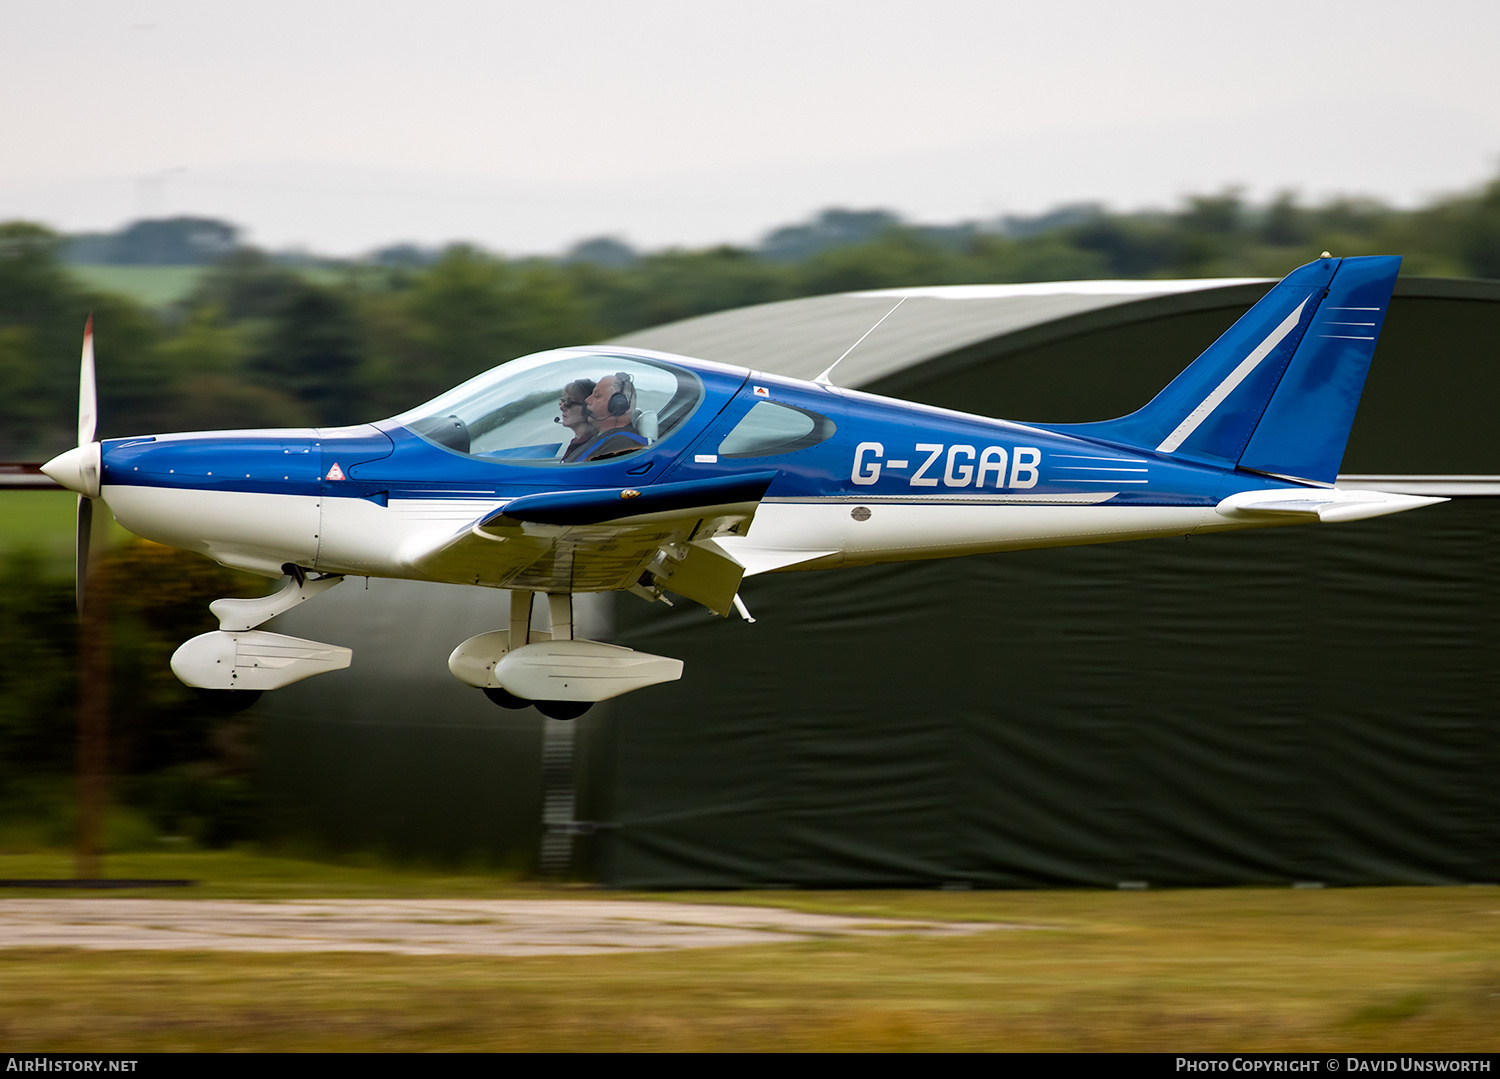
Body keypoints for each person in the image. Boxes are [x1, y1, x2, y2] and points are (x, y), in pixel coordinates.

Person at [571, 372, 648, 462]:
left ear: (617, 405)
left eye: (597, 396)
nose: (587, 400)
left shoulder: (620, 447)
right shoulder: (605, 438)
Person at [557, 378, 598, 462]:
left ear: (589, 408)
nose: (562, 407)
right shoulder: (579, 442)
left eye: (569, 402)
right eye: (562, 401)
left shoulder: (593, 447)